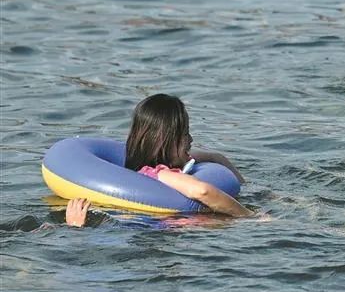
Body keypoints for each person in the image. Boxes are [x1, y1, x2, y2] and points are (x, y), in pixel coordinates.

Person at [66, 94, 252, 227]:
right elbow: (202, 191)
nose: (191, 139)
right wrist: (249, 215)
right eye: (185, 134)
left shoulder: (148, 171)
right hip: (158, 230)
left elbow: (215, 157)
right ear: (166, 141)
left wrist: (216, 160)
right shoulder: (158, 174)